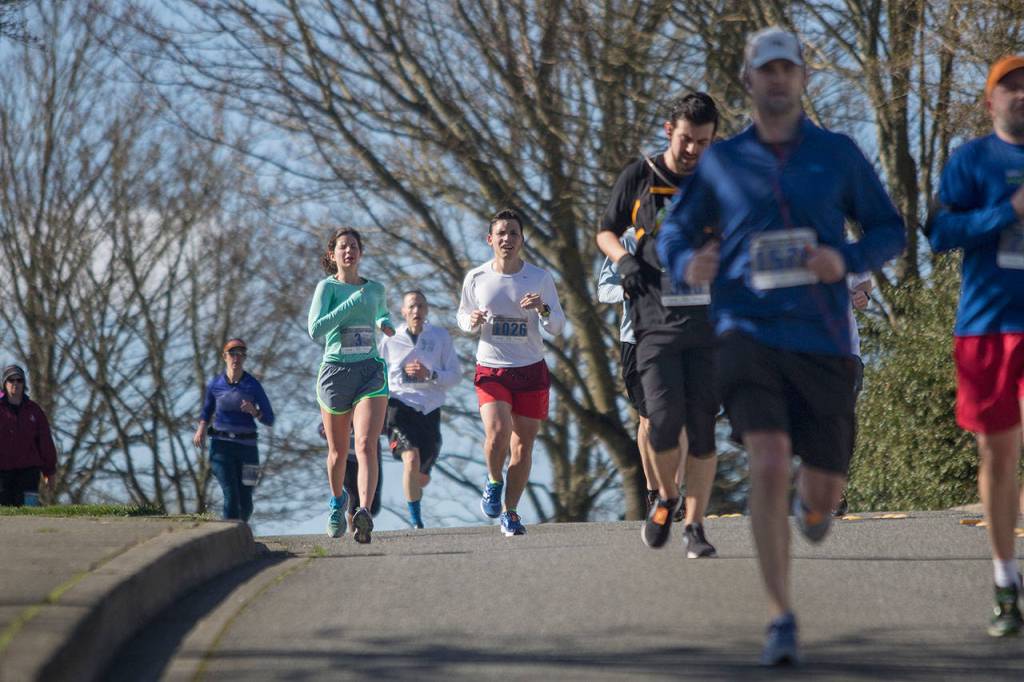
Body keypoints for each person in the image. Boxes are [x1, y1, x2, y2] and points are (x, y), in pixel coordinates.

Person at [658, 27, 905, 664]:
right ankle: (780, 616)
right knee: (766, 459)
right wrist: (689, 261)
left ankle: (812, 504)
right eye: (764, 70)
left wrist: (843, 258)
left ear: (802, 79)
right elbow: (675, 233)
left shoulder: (838, 154)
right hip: (746, 333)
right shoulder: (723, 161)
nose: (776, 79)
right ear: (748, 80)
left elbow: (889, 230)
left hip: (822, 340)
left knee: (821, 498)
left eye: (786, 69)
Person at [595, 93, 721, 558]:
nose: (694, 151)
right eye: (687, 140)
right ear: (670, 130)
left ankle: (695, 526)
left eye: (704, 143)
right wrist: (623, 260)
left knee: (704, 430)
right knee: (663, 424)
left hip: (708, 324)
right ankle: (666, 496)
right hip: (654, 322)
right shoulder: (640, 176)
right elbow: (605, 229)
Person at [928, 54, 1024, 637]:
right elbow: (939, 233)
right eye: (1008, 88)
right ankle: (1003, 578)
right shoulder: (971, 161)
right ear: (990, 103)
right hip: (986, 327)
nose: (1020, 95)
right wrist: (1006, 211)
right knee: (999, 456)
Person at [457, 208, 565, 536]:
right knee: (498, 431)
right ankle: (493, 481)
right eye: (501, 233)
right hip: (492, 368)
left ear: (522, 239)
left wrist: (542, 308)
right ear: (490, 239)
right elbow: (462, 316)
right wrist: (470, 321)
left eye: (513, 233)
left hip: (530, 369)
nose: (507, 239)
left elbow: (557, 325)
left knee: (523, 446)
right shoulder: (477, 277)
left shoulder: (539, 278)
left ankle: (511, 512)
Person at [308, 227, 395, 543]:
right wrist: (347, 306)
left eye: (354, 246)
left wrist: (385, 324)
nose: (349, 251)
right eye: (343, 247)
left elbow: (381, 313)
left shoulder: (375, 289)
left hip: (369, 371)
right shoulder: (327, 288)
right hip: (335, 373)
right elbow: (315, 329)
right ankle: (336, 503)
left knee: (366, 444)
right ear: (333, 255)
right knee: (337, 451)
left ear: (361, 252)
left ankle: (365, 511)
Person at [378, 290, 461, 528]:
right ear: (403, 312)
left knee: (421, 476)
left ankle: (417, 486)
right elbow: (376, 375)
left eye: (421, 306)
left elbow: (455, 375)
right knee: (410, 459)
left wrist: (431, 375)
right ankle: (416, 520)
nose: (417, 311)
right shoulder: (390, 340)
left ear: (427, 310)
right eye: (412, 307)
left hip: (430, 409)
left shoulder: (440, 337)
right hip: (399, 407)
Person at [193, 340, 275, 522]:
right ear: (224, 356)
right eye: (232, 353)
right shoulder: (215, 384)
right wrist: (201, 429)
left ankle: (241, 537)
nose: (236, 358)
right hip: (222, 448)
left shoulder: (253, 385)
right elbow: (206, 410)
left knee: (246, 502)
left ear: (245, 358)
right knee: (231, 495)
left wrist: (255, 411)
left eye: (241, 354)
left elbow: (270, 418)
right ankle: (228, 538)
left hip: (248, 450)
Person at [0, 365, 57, 506]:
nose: (15, 384)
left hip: (29, 471)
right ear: (4, 384)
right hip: (2, 471)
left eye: (19, 380)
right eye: (11, 380)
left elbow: (45, 442)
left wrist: (49, 471)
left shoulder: (34, 411)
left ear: (24, 384)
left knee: (29, 510)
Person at [319, 422, 382, 532]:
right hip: (349, 461)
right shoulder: (343, 411)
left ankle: (364, 519)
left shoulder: (370, 409)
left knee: (374, 505)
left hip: (370, 460)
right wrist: (323, 431)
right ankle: (355, 529)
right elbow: (324, 426)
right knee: (354, 497)